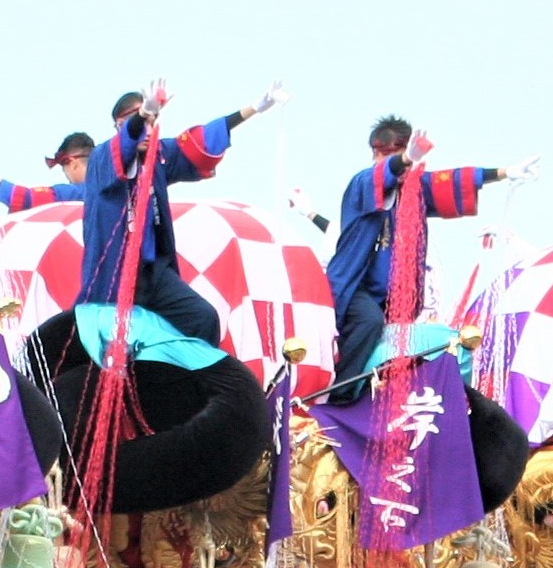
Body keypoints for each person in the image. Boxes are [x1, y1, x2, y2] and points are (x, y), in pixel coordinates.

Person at [78, 82, 284, 350]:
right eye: (139, 123)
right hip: (113, 276)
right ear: (118, 127)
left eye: (153, 122)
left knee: (202, 318)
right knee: (115, 347)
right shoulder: (103, 157)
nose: (147, 131)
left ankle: (193, 383)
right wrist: (142, 116)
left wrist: (254, 108)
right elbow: (126, 143)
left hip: (152, 273)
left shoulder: (158, 156)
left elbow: (201, 141)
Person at [324, 120, 515, 391]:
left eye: (408, 158)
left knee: (405, 345)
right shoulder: (363, 183)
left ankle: (374, 394)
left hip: (396, 298)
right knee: (369, 322)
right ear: (375, 154)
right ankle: (339, 393)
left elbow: (455, 180)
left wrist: (506, 172)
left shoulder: (414, 190)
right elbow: (384, 175)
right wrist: (406, 158)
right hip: (355, 288)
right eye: (395, 157)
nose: (404, 167)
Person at [0, 134, 94, 211]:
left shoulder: (75, 193)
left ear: (73, 163)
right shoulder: (109, 186)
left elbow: (25, 198)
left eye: (64, 169)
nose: (66, 176)